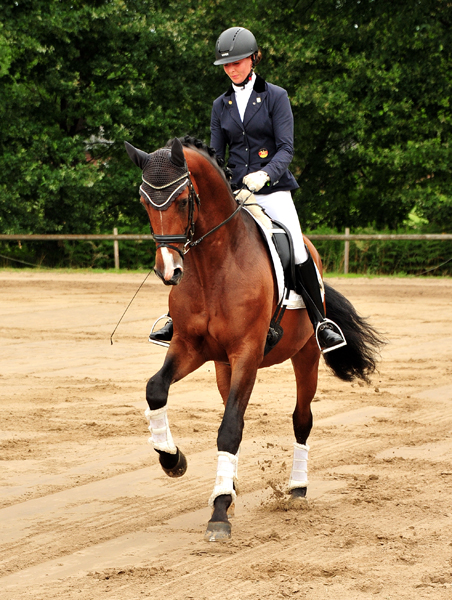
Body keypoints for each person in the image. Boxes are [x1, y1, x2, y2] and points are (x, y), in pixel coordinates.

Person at [150, 26, 346, 354]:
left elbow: (285, 149)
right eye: (227, 65)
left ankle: (321, 323)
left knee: (297, 249)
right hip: (236, 194)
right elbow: (214, 156)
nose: (232, 68)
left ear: (253, 60)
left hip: (273, 190)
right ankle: (177, 317)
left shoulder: (275, 97)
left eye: (238, 62)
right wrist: (227, 188)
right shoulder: (220, 104)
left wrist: (264, 176)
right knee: (198, 242)